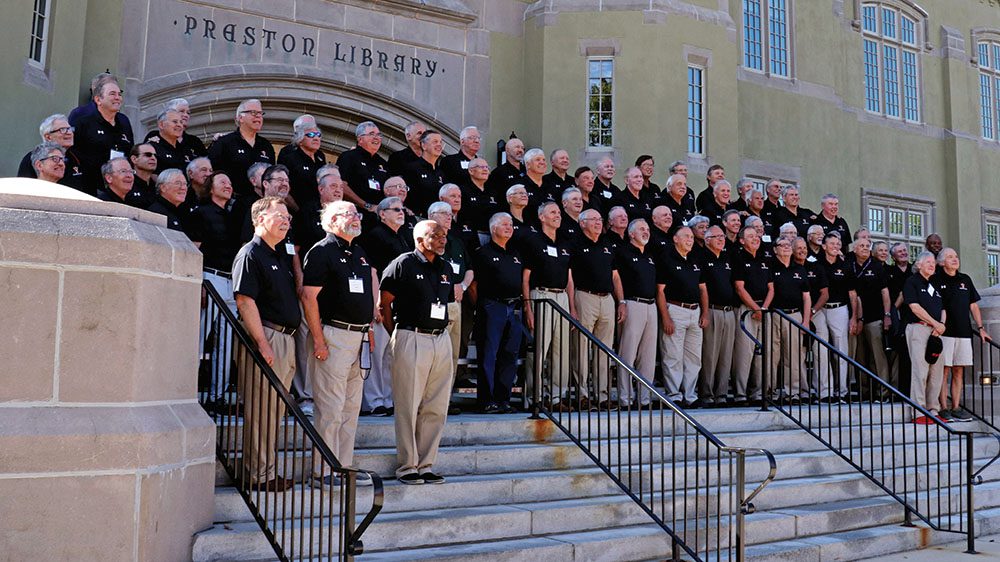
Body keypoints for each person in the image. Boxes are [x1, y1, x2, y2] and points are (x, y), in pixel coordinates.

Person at [300, 200, 378, 488]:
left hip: (359, 338)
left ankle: (343, 467)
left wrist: (368, 329)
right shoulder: (321, 251)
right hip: (333, 336)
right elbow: (309, 298)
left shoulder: (358, 252)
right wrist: (318, 339)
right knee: (330, 408)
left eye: (357, 213)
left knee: (350, 408)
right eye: (349, 213)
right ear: (332, 220)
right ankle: (323, 471)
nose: (356, 217)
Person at [231, 196, 301, 492]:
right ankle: (259, 475)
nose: (286, 220)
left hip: (285, 338)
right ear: (259, 219)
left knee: (274, 410)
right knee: (262, 410)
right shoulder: (251, 254)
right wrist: (262, 342)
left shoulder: (277, 255)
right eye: (280, 215)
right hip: (268, 337)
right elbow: (245, 300)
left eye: (288, 216)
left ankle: (266, 469)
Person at [379, 220, 454, 484]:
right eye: (437, 235)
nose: (444, 239)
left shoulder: (445, 267)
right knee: (409, 404)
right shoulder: (403, 263)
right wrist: (398, 335)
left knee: (436, 405)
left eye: (445, 235)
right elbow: (383, 304)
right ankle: (407, 465)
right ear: (421, 239)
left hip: (440, 339)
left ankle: (426, 463)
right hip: (412, 336)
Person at [358, 196, 414, 416]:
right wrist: (376, 304)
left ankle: (389, 399)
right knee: (377, 353)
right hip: (382, 302)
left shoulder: (403, 237)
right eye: (396, 209)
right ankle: (373, 401)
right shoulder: (375, 237)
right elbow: (373, 273)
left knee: (391, 356)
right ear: (382, 214)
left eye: (403, 209)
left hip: (399, 304)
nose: (401, 212)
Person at [521, 201, 576, 410]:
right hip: (541, 296)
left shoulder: (564, 243)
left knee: (561, 351)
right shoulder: (533, 241)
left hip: (561, 297)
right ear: (542, 217)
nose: (558, 216)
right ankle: (533, 397)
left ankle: (555, 397)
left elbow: (569, 279)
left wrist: (572, 307)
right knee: (539, 349)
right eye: (553, 212)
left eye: (559, 213)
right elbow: (525, 278)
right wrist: (528, 307)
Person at [469, 213, 525, 413]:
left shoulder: (516, 253)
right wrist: (483, 306)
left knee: (509, 355)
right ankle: (487, 401)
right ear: (493, 228)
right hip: (492, 307)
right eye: (504, 224)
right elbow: (473, 286)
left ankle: (504, 400)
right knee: (489, 355)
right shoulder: (482, 253)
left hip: (513, 309)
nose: (509, 227)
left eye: (511, 224)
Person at [571, 209, 624, 409]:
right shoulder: (575, 243)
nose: (597, 223)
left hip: (607, 299)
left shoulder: (608, 244)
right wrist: (572, 304)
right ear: (582, 223)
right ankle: (583, 394)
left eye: (599, 219)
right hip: (585, 296)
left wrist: (622, 302)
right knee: (582, 347)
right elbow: (569, 276)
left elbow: (616, 276)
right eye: (592, 219)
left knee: (604, 349)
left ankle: (602, 395)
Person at [657, 226, 709, 407]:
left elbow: (703, 289)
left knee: (694, 357)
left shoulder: (695, 259)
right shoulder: (666, 259)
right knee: (673, 354)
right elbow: (660, 292)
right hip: (675, 310)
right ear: (675, 239)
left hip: (695, 312)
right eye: (686, 236)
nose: (690, 239)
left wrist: (705, 312)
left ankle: (690, 395)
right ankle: (674, 394)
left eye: (691, 237)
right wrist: (666, 317)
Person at [936, 248, 988, 422]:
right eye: (950, 257)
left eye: (956, 256)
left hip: (964, 332)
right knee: (944, 371)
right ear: (942, 262)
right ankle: (943, 407)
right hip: (945, 333)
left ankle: (956, 406)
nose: (954, 259)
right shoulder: (936, 279)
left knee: (959, 370)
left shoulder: (965, 279)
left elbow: (973, 306)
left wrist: (980, 328)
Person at [616, 219, 660, 408]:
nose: (646, 232)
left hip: (651, 306)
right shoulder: (623, 252)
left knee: (648, 356)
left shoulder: (650, 255)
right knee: (628, 353)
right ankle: (625, 398)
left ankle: (644, 398)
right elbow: (617, 280)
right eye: (641, 229)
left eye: (648, 229)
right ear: (631, 233)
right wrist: (622, 302)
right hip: (633, 304)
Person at [428, 202, 474, 381]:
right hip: (438, 302)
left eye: (450, 214)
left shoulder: (456, 241)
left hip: (457, 301)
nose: (449, 216)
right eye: (444, 213)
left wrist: (462, 286)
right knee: (437, 351)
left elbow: (469, 269)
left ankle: (447, 397)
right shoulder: (428, 240)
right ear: (432, 216)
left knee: (453, 351)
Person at [903, 251, 947, 424]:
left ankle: (932, 409)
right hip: (919, 328)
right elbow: (915, 307)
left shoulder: (935, 284)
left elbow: (943, 308)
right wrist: (935, 324)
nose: (932, 265)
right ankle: (918, 411)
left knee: (936, 372)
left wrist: (941, 325)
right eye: (928, 262)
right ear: (919, 264)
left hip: (937, 332)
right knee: (920, 371)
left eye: (933, 263)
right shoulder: (911, 282)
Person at [731, 226, 774, 406]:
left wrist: (763, 308)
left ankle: (759, 393)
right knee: (745, 353)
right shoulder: (739, 258)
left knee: (763, 353)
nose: (755, 239)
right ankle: (741, 393)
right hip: (747, 310)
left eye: (757, 236)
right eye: (750, 236)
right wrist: (755, 308)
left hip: (764, 311)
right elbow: (740, 288)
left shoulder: (765, 258)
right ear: (742, 240)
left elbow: (771, 288)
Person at [72, 75, 134, 194]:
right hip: (91, 185)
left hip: (118, 189)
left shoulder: (124, 121)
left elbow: (130, 151)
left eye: (119, 94)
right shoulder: (84, 122)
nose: (117, 98)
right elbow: (74, 153)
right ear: (98, 100)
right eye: (112, 94)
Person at [767, 238, 812, 401]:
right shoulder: (770, 268)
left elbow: (807, 298)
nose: (786, 248)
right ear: (775, 250)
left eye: (788, 245)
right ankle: (769, 391)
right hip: (774, 315)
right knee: (772, 355)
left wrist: (805, 321)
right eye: (782, 245)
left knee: (793, 356)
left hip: (795, 316)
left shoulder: (800, 269)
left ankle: (792, 392)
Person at [816, 232, 859, 402]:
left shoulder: (846, 265)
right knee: (821, 350)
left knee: (841, 351)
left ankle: (841, 391)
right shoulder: (816, 264)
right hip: (819, 310)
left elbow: (853, 294)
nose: (835, 246)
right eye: (831, 244)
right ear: (824, 246)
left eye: (838, 244)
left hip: (839, 309)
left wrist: (854, 317)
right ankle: (824, 392)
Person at [700, 226, 738, 407]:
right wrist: (705, 312)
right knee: (710, 354)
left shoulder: (726, 258)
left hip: (729, 311)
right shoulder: (701, 257)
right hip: (712, 311)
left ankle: (721, 393)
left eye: (722, 236)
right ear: (707, 239)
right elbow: (702, 288)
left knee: (726, 355)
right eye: (717, 237)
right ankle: (707, 393)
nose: (721, 239)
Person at [207, 99, 275, 197]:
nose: (258, 116)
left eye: (260, 113)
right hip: (233, 203)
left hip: (262, 203)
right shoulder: (224, 143)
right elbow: (212, 174)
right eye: (253, 112)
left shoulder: (266, 145)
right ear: (240, 118)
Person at [850, 239, 892, 397]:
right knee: (859, 356)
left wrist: (887, 315)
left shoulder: (876, 266)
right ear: (854, 249)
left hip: (875, 317)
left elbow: (885, 292)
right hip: (855, 317)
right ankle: (864, 390)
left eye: (868, 246)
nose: (865, 248)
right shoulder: (850, 264)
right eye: (862, 246)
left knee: (877, 356)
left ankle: (883, 391)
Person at [17, 114, 86, 192]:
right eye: (62, 130)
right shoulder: (34, 157)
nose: (69, 133)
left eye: (69, 129)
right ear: (48, 137)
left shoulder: (76, 158)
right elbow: (23, 189)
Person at [278, 115, 327, 209]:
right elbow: (282, 186)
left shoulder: (320, 156)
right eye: (311, 135)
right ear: (300, 140)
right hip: (299, 209)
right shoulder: (290, 157)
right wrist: (297, 210)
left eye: (318, 135)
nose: (316, 138)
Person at [403, 130, 446, 214]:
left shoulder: (441, 173)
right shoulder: (412, 168)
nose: (439, 145)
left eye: (440, 142)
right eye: (435, 142)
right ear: (424, 145)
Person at [461, 157, 500, 247]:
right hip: (473, 235)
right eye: (481, 167)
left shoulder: (492, 191)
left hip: (493, 236)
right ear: (471, 171)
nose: (485, 170)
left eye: (487, 167)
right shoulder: (463, 190)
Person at [148, 109, 197, 174]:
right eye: (175, 122)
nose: (179, 125)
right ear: (161, 125)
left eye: (181, 122)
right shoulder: (152, 148)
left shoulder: (186, 149)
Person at [128, 143, 158, 208]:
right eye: (148, 155)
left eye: (155, 155)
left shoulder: (158, 186)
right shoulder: (127, 183)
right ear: (134, 159)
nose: (153, 158)